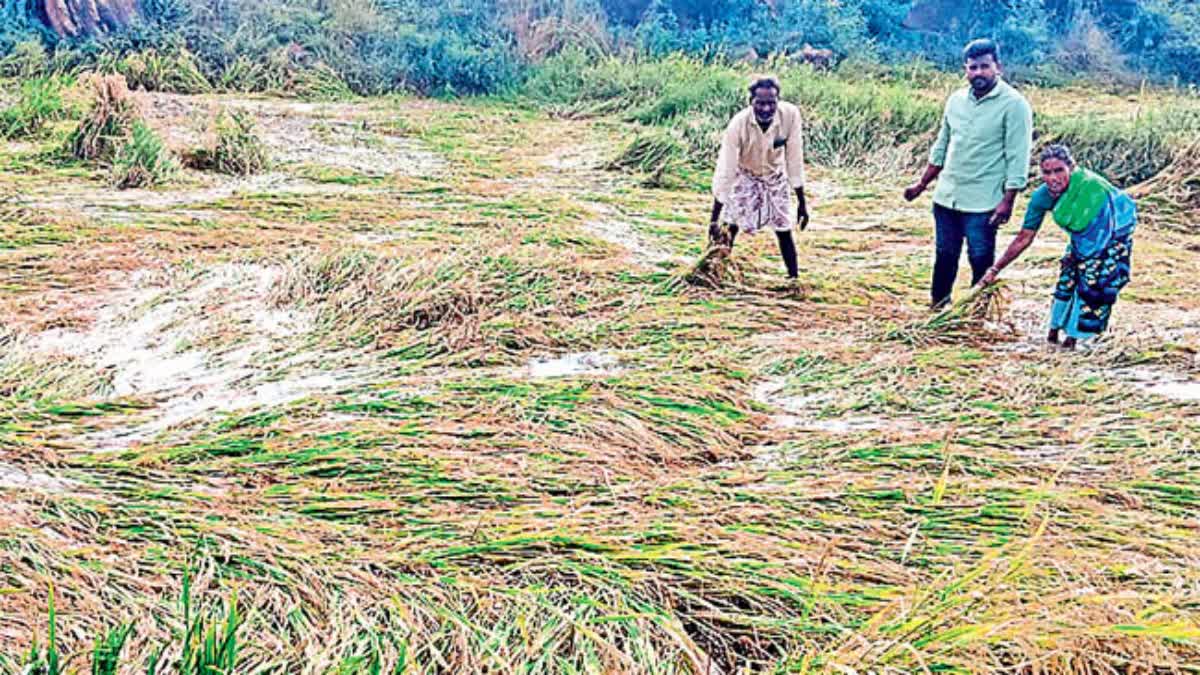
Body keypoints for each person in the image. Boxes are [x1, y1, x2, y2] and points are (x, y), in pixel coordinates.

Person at [904, 38, 1033, 308]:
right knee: (945, 255)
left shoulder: (1014, 105)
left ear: (998, 67)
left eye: (984, 67)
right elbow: (942, 145)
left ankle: (977, 314)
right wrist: (921, 184)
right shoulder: (956, 101)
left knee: (980, 257)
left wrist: (1008, 200)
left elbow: (1018, 156)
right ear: (965, 69)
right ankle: (938, 310)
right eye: (972, 67)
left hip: (984, 201)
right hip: (947, 196)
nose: (978, 73)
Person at [980, 145, 1137, 349]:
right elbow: (1024, 237)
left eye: (1059, 170)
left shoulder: (1090, 186)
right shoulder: (1041, 197)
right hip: (1082, 241)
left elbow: (1114, 214)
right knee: (1066, 280)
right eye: (1047, 172)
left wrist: (1092, 254)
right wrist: (995, 269)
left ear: (1071, 169)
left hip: (1112, 235)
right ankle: (1053, 333)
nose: (1053, 178)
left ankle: (1073, 338)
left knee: (1092, 284)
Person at [709, 75, 809, 281]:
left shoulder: (790, 116)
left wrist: (801, 202)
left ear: (778, 101)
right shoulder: (738, 124)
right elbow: (726, 171)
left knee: (784, 229)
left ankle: (794, 280)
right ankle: (712, 273)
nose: (766, 109)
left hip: (774, 176)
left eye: (771, 103)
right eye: (760, 103)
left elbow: (794, 159)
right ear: (751, 102)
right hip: (745, 175)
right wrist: (713, 219)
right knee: (730, 227)